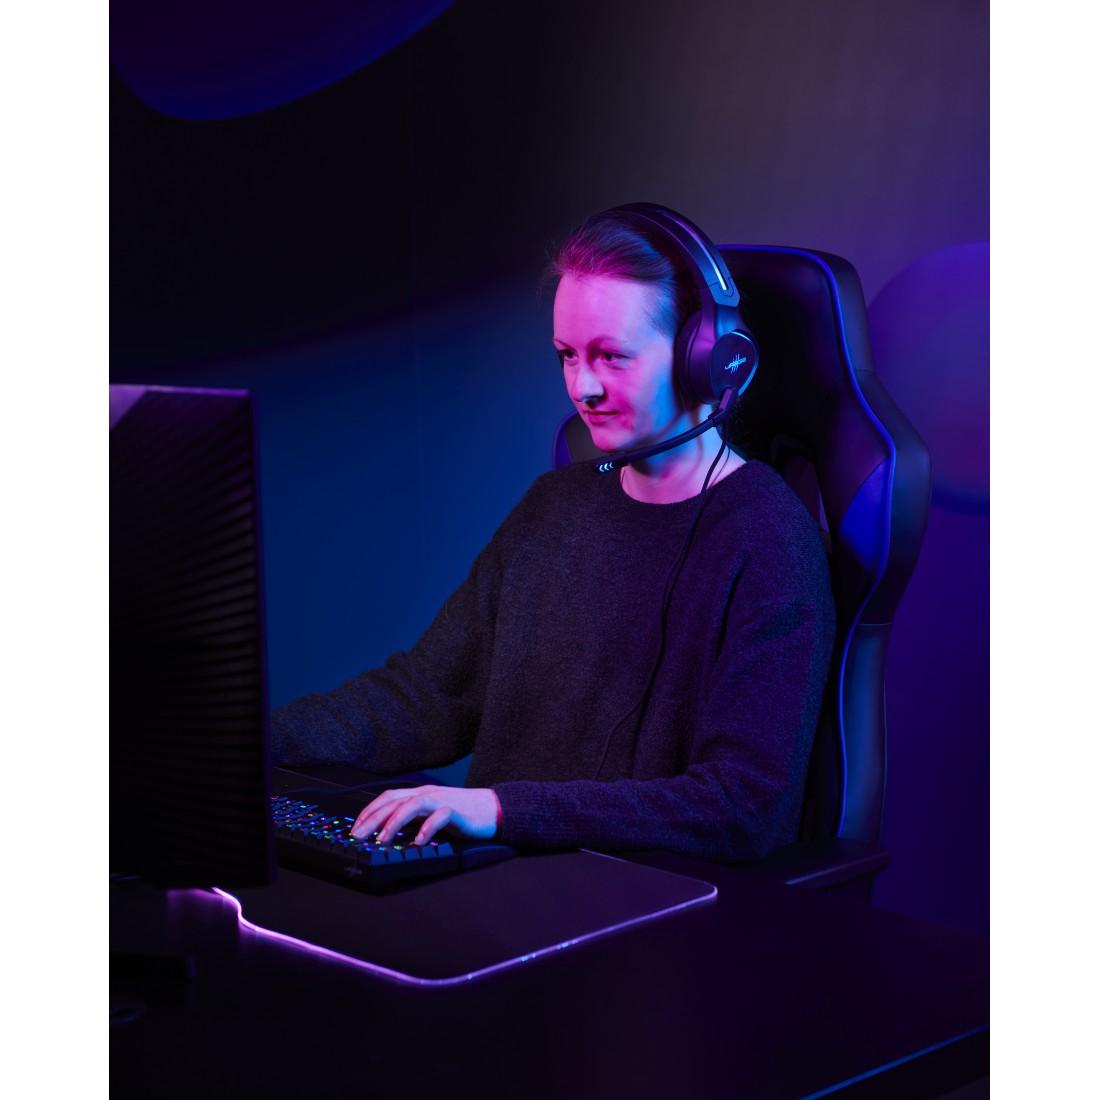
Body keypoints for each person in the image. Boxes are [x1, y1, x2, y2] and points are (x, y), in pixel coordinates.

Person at [271, 205, 835, 863]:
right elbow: (425, 698)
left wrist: (501, 810)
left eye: (611, 356)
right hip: (499, 883)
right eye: (568, 355)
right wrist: (245, 745)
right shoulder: (554, 507)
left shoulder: (768, 542)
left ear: (704, 360)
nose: (583, 387)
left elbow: (743, 807)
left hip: (645, 902)